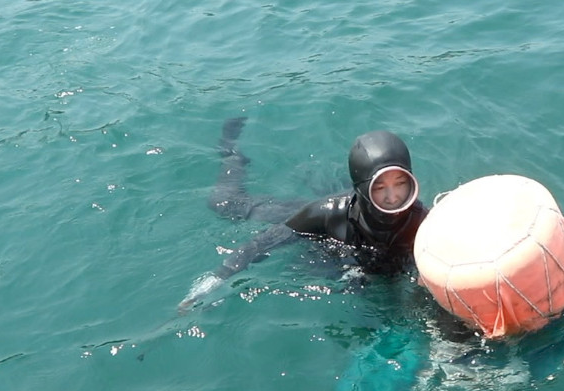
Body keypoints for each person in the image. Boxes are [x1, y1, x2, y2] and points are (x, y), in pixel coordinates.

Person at [178, 116, 428, 312]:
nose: (394, 197)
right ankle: (232, 155)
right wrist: (212, 283)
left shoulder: (424, 222)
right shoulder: (327, 214)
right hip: (330, 229)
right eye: (380, 187)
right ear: (362, 188)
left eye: (401, 183)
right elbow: (259, 245)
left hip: (371, 259)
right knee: (223, 204)